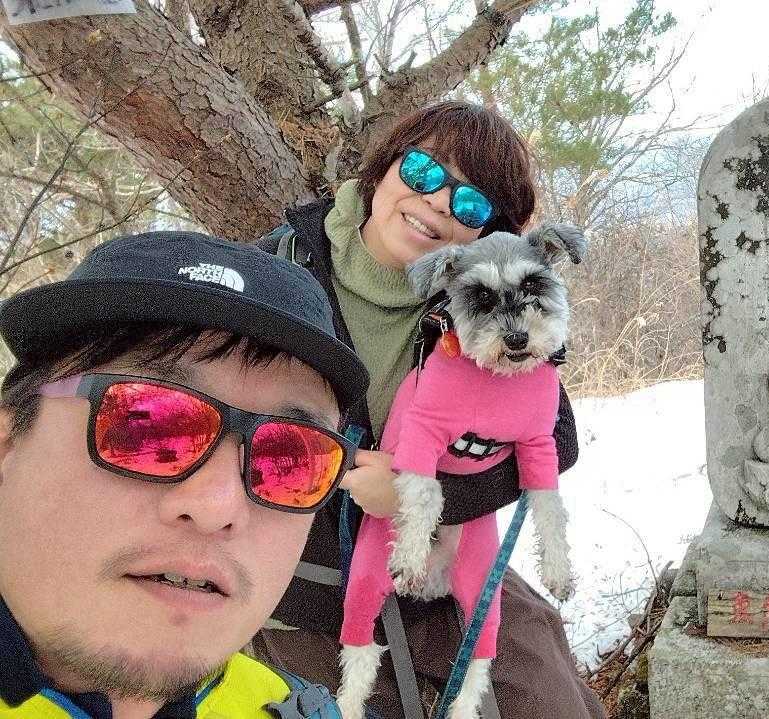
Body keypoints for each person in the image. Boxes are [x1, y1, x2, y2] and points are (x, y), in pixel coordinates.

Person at [252, 100, 605, 719]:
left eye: (470, 204)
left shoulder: (480, 300)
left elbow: (556, 436)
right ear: (383, 169)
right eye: (422, 171)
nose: (439, 201)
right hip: (298, 587)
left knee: (548, 701)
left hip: (446, 568)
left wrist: (428, 496)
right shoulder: (276, 271)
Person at [0, 231, 370, 718]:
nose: (218, 506)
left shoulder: (291, 707)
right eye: (148, 425)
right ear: (7, 444)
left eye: (289, 457)